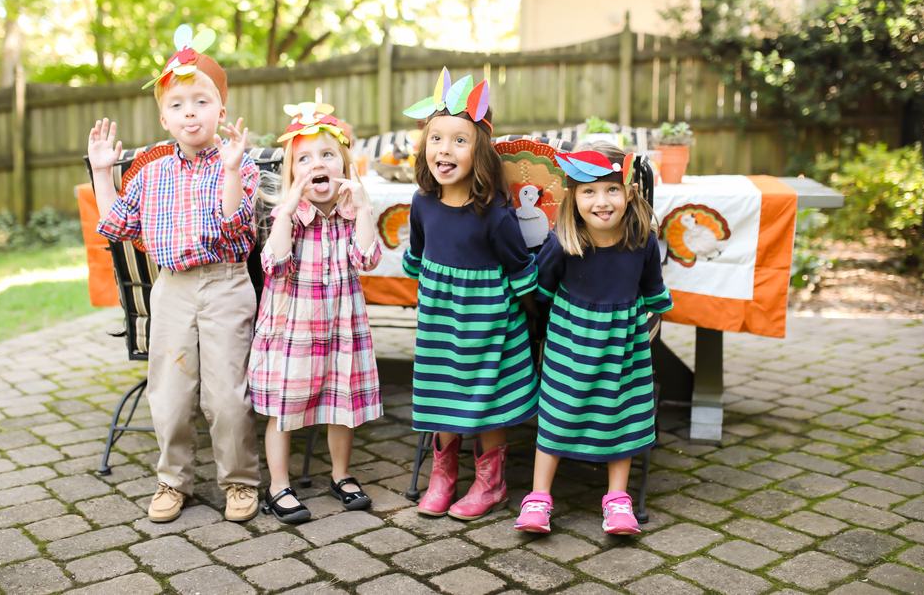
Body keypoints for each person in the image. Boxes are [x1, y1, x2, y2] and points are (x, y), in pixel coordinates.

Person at [87, 24, 263, 524]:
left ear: (221, 112)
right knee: (170, 392)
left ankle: (239, 480)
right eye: (179, 104)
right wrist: (103, 172)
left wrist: (232, 170)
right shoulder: (151, 173)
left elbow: (233, 223)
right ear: (164, 118)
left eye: (202, 102)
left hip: (226, 283)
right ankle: (172, 479)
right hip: (173, 288)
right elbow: (116, 225)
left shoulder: (239, 164)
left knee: (226, 395)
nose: (191, 112)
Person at [401, 68, 540, 520]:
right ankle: (442, 476)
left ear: (479, 151)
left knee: (486, 399)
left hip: (489, 323)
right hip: (441, 322)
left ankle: (491, 482)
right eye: (436, 138)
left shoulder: (494, 213)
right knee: (442, 393)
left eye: (459, 140)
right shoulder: (422, 204)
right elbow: (416, 256)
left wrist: (528, 317)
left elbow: (521, 270)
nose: (445, 149)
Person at [514, 144, 672, 536]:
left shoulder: (642, 241)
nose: (602, 201)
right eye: (589, 191)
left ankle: (617, 499)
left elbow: (653, 288)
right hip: (571, 342)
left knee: (621, 413)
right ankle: (539, 496)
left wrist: (653, 316)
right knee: (558, 412)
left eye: (611, 189)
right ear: (574, 197)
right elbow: (542, 290)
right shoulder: (562, 242)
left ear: (628, 193)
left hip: (622, 344)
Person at [249, 101, 383, 524]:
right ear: (292, 174)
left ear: (344, 166)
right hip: (294, 329)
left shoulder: (349, 215)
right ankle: (278, 485)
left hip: (341, 326)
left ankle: (341, 475)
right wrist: (287, 209)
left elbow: (367, 259)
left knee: (342, 403)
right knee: (284, 409)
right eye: (304, 159)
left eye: (327, 155)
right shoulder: (289, 216)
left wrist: (364, 209)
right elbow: (273, 264)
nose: (317, 164)